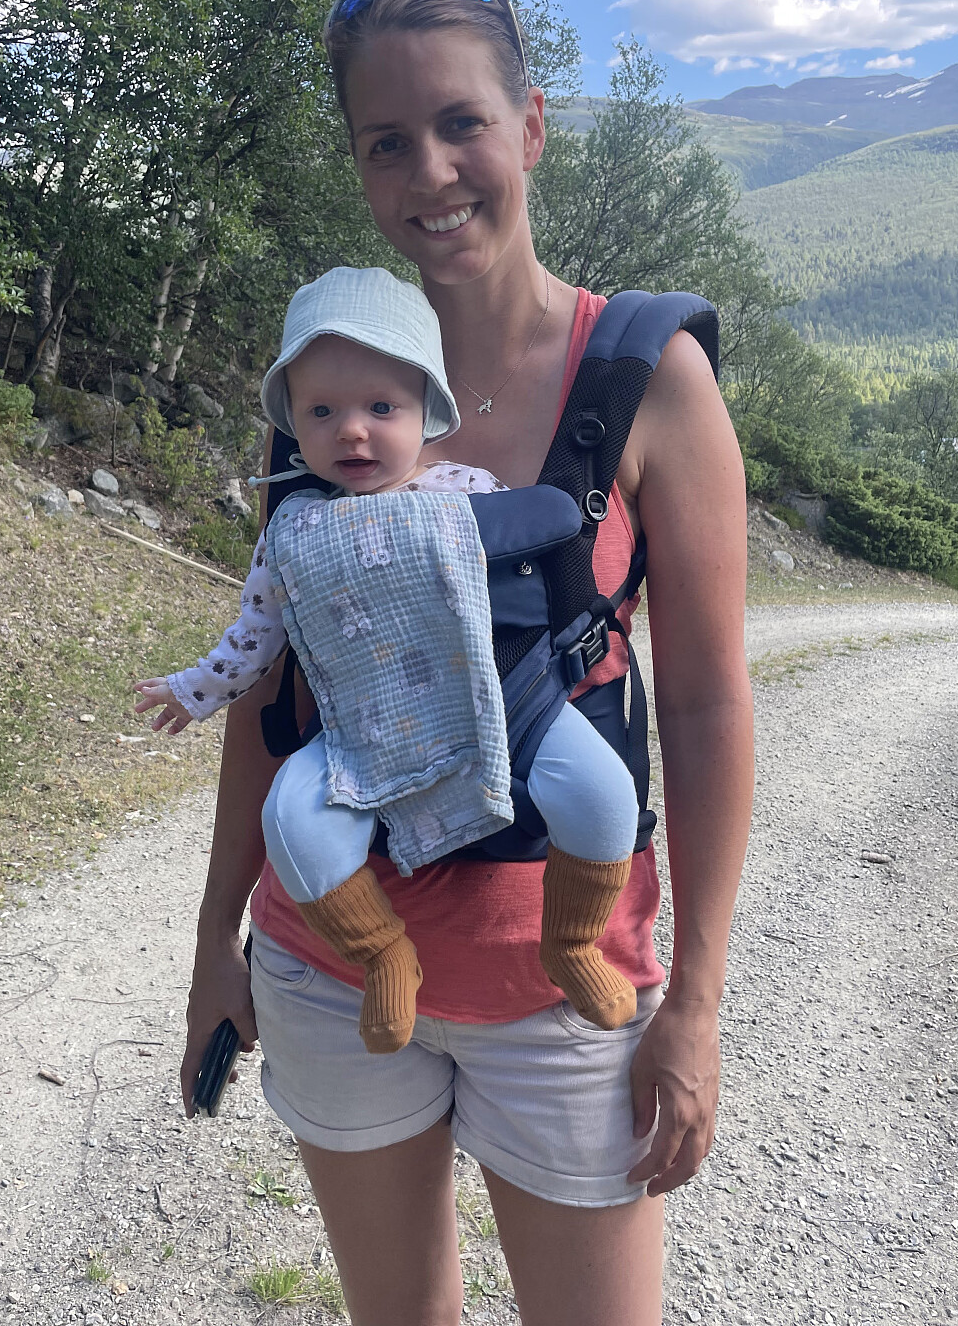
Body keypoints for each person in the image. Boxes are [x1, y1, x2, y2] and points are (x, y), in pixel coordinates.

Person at [181, 0, 754, 1326]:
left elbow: (705, 708)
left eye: (461, 124)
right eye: (387, 141)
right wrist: (214, 942)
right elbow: (278, 697)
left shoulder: (648, 378)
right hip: (334, 971)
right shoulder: (330, 391)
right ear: (360, 167)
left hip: (563, 989)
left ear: (532, 126)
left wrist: (695, 1001)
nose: (430, 173)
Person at [135, 266, 640, 1055]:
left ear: (426, 412)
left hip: (502, 703)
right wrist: (193, 690)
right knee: (292, 825)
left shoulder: (469, 492)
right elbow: (254, 636)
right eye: (323, 411)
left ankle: (572, 941)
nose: (352, 432)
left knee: (605, 794)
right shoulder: (293, 530)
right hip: (359, 720)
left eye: (381, 408)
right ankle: (382, 955)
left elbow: (542, 555)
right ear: (293, 424)